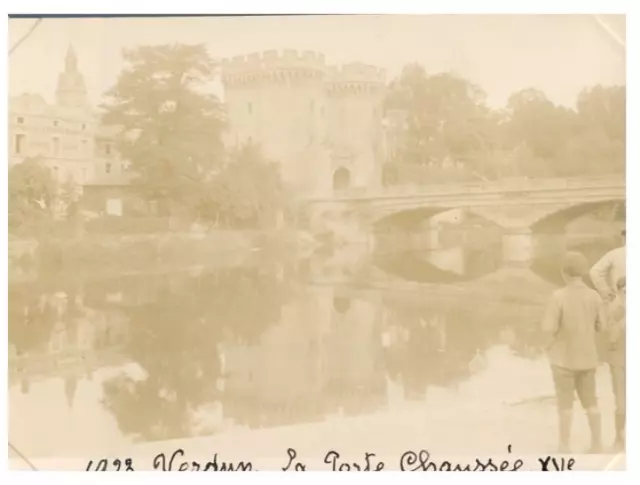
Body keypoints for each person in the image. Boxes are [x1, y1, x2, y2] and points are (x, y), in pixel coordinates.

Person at [542, 251, 606, 453]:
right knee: (591, 403)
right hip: (588, 358)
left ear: (564, 273)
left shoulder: (558, 296)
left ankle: (564, 445)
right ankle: (597, 443)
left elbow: (548, 328)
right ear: (584, 272)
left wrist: (548, 345)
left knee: (565, 405)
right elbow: (601, 326)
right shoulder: (595, 296)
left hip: (563, 359)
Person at [605, 276, 626, 451]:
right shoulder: (616, 311)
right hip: (619, 360)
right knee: (621, 400)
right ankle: (619, 438)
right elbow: (610, 339)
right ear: (619, 292)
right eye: (625, 292)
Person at [590, 228, 626, 302]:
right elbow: (595, 272)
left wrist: (605, 291)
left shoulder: (615, 254)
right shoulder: (615, 254)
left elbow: (594, 272)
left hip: (620, 299)